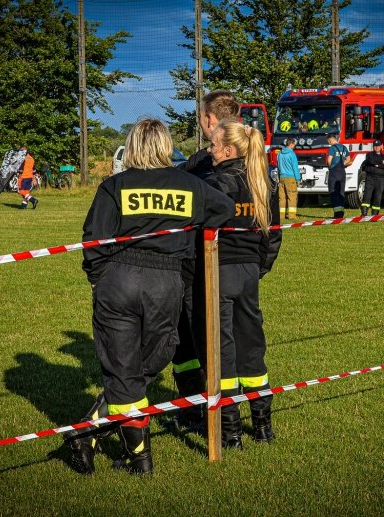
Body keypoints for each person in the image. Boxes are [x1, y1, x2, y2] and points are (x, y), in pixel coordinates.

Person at [67, 118, 234, 475]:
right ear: (165, 146)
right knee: (149, 362)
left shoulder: (114, 186)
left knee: (125, 369)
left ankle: (92, 434)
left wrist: (99, 280)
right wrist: (190, 238)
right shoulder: (190, 185)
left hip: (118, 279)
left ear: (131, 147)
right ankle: (135, 458)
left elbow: (93, 239)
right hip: (166, 281)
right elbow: (225, 209)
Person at [164, 89, 242, 434]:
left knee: (203, 342)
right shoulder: (253, 158)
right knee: (228, 344)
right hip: (239, 269)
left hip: (200, 266)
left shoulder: (210, 164)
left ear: (209, 120)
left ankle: (215, 420)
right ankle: (203, 412)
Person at [205, 119, 281, 448]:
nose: (209, 151)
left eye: (213, 145)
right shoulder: (265, 183)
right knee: (252, 345)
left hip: (219, 272)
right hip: (250, 273)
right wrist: (258, 269)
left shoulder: (217, 182)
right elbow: (273, 238)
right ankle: (263, 426)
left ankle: (231, 433)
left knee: (222, 351)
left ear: (228, 150)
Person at [359, 140, 384, 216]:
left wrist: (378, 165)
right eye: (375, 146)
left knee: (378, 197)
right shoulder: (369, 155)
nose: (377, 147)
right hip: (370, 178)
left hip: (380, 179)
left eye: (378, 146)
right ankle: (364, 213)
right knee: (367, 196)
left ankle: (374, 215)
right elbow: (371, 161)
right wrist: (381, 162)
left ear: (381, 146)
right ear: (373, 147)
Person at [326, 134, 349, 218]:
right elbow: (348, 159)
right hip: (342, 172)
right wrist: (343, 165)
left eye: (328, 142)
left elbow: (329, 161)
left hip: (334, 172)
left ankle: (337, 214)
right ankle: (341, 213)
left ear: (330, 140)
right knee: (341, 192)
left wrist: (330, 167)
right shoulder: (344, 147)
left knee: (333, 192)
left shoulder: (332, 148)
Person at [277, 138, 301, 219]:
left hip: (282, 177)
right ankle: (292, 216)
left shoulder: (279, 154)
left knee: (282, 198)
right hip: (290, 178)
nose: (294, 146)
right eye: (294, 145)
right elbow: (295, 168)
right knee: (292, 196)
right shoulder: (292, 154)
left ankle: (281, 216)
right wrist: (298, 179)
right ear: (291, 144)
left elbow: (278, 167)